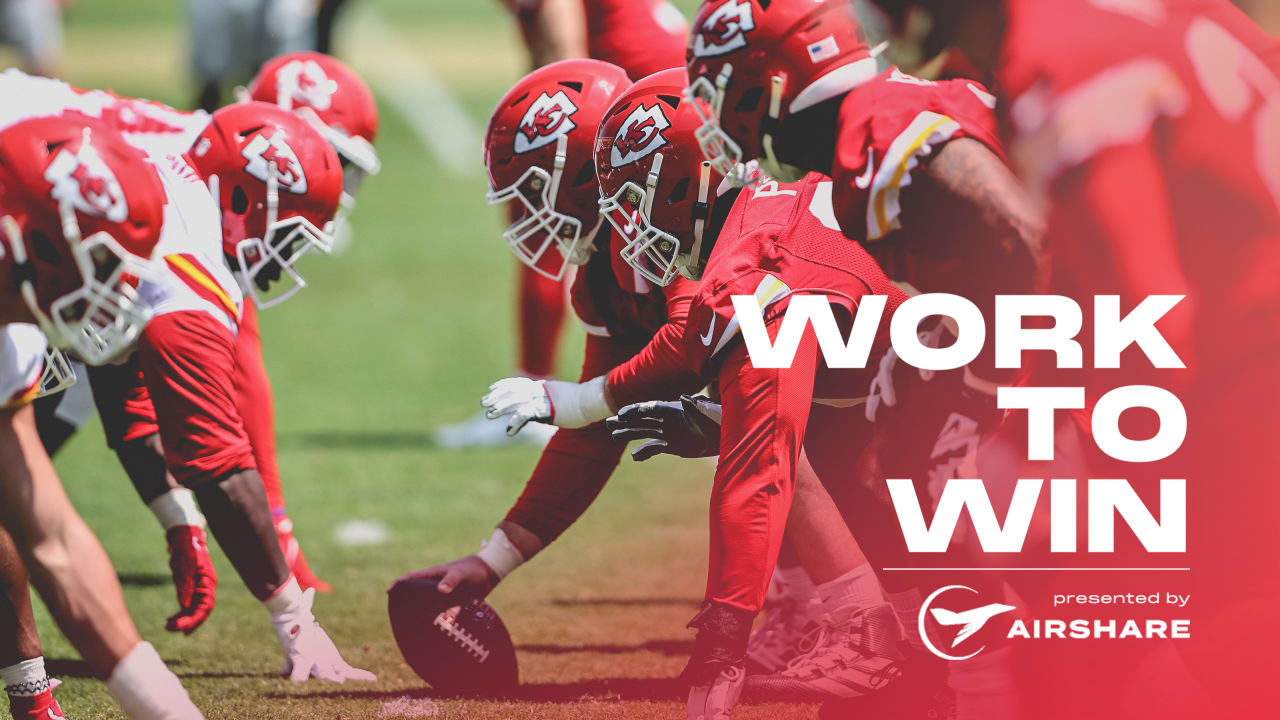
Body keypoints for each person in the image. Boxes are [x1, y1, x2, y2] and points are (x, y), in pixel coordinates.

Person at [0, 115, 204, 719]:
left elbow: (49, 531)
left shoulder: (14, 337)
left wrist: (166, 709)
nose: (113, 291)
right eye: (91, 259)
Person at [433, 0, 689, 448]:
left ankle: (537, 387)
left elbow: (565, 56)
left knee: (549, 208)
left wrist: (544, 146)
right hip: (651, 86)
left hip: (638, 95)